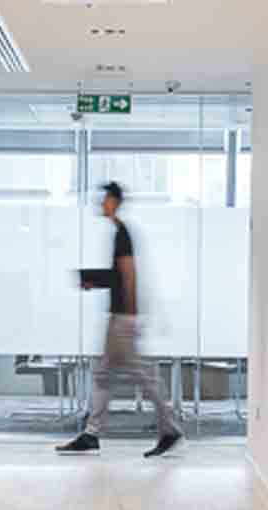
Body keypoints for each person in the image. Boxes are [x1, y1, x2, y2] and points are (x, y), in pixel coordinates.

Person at [57, 181, 182, 457]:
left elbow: (128, 274)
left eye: (104, 200)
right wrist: (94, 281)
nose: (100, 204)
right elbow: (118, 276)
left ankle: (170, 428)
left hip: (123, 318)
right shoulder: (119, 233)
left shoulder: (122, 233)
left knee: (142, 375)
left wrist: (129, 315)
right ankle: (92, 433)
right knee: (104, 374)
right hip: (122, 316)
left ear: (114, 201)